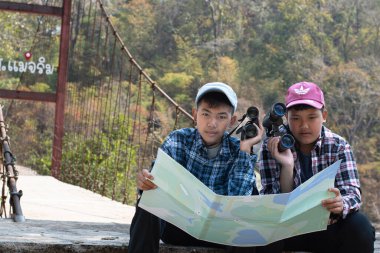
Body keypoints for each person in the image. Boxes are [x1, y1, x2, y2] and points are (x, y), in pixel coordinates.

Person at [128, 82, 265, 253]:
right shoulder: (178, 140)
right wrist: (147, 182)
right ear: (195, 114)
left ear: (232, 121)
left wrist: (245, 150)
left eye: (221, 117)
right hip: (179, 228)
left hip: (222, 234)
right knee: (147, 199)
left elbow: (239, 204)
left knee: (249, 205)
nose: (212, 123)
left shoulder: (238, 150)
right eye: (206, 114)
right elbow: (157, 185)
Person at [259, 81, 376, 253]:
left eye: (312, 117)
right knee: (261, 231)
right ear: (286, 118)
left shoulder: (338, 145)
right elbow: (271, 201)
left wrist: (340, 204)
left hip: (327, 227)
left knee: (361, 227)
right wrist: (287, 165)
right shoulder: (273, 144)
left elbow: (353, 193)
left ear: (324, 115)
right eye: (296, 118)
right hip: (287, 230)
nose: (304, 126)